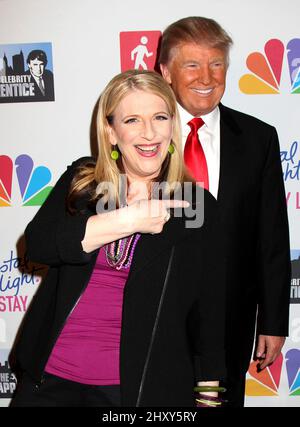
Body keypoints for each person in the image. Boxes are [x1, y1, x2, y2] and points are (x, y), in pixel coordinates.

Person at [10, 69, 226, 407]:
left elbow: (210, 309)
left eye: (160, 117)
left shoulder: (194, 206)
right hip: (48, 382)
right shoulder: (82, 182)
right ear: (111, 132)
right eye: (132, 120)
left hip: (133, 391)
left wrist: (209, 394)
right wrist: (127, 219)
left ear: (173, 125)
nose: (149, 133)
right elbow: (39, 244)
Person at [159, 16, 291, 407]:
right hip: (156, 309)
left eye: (216, 64)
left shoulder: (258, 138)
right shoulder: (144, 134)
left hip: (229, 317)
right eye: (192, 64)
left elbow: (271, 237)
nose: (206, 76)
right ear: (166, 72)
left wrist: (272, 322)